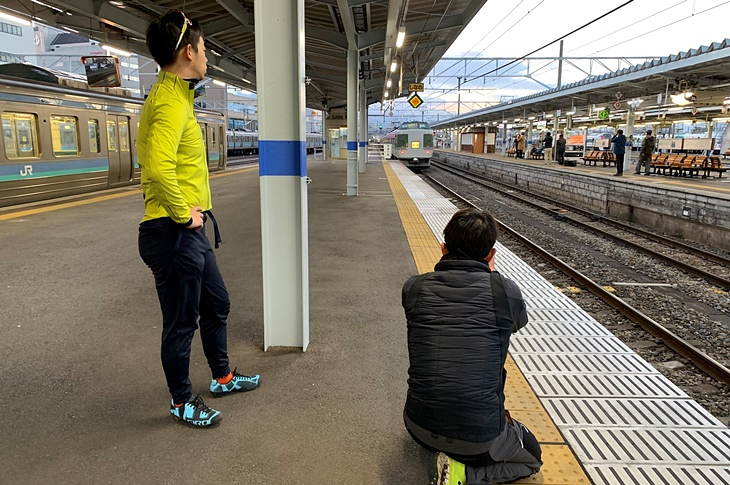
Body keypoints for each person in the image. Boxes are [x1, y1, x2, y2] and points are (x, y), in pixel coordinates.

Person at [137, 10, 260, 428]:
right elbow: (157, 167)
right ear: (189, 52)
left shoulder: (177, 96)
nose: (208, 57)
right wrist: (182, 213)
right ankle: (181, 401)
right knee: (180, 322)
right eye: (205, 49)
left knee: (217, 302)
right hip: (171, 231)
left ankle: (222, 376)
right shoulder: (170, 103)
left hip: (186, 230)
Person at [402, 208, 542, 485]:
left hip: (417, 425)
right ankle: (465, 474)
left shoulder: (414, 288)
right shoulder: (505, 291)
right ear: (491, 255)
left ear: (443, 249)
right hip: (480, 440)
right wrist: (492, 278)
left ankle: (448, 455)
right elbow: (517, 323)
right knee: (532, 457)